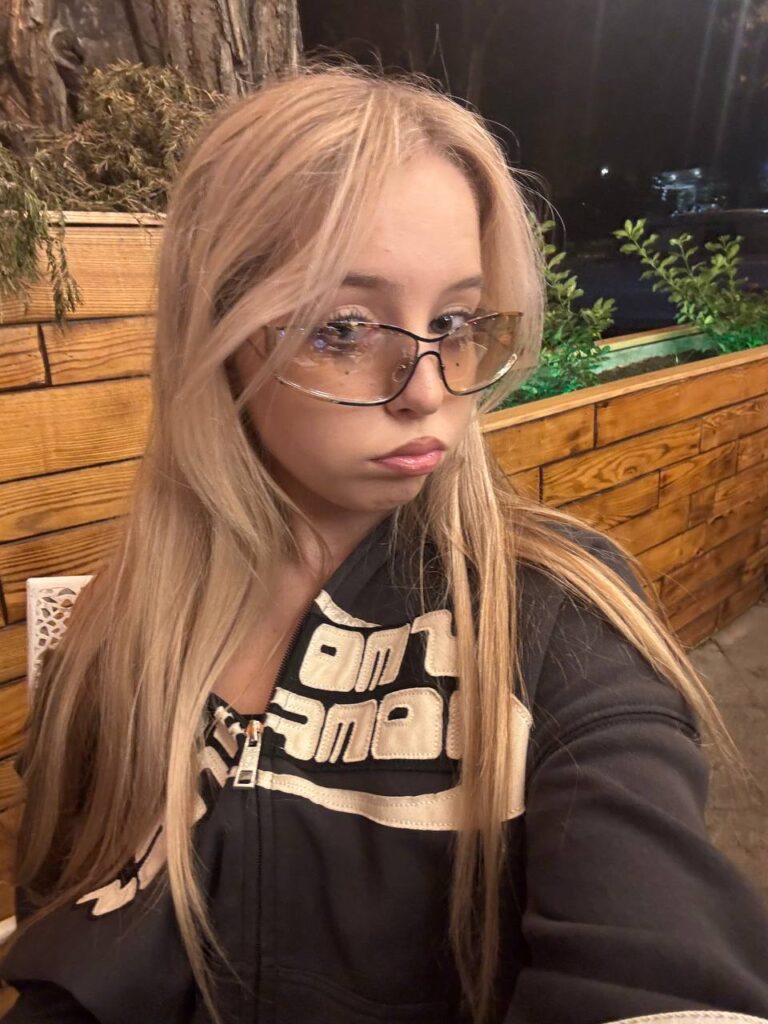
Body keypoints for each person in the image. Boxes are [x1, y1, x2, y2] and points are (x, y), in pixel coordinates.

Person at [0, 61, 767, 1024]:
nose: (429, 389)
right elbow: (61, 945)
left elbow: (661, 969)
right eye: (344, 327)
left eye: (454, 321)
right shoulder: (112, 636)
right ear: (220, 336)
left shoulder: (552, 617)